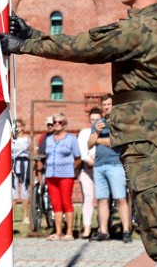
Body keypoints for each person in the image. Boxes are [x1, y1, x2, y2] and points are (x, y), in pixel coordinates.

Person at [1, 0, 157, 266]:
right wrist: (32, 34)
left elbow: (87, 46)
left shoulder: (142, 28)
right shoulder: (149, 26)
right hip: (147, 134)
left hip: (150, 136)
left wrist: (26, 45)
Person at [88, 94, 132, 243]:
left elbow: (114, 142)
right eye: (104, 105)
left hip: (115, 164)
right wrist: (98, 133)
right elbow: (89, 143)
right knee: (101, 199)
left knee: (121, 198)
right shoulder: (98, 123)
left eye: (109, 104)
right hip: (99, 165)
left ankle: (126, 230)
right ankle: (103, 231)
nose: (106, 107)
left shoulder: (119, 121)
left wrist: (97, 140)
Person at [43, 113, 81, 241]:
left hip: (66, 175)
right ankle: (58, 231)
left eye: (60, 122)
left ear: (64, 123)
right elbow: (45, 155)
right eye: (55, 122)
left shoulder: (71, 139)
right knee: (55, 204)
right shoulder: (48, 139)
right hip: (51, 175)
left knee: (66, 202)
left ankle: (69, 231)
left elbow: (78, 157)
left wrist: (71, 169)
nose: (57, 124)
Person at [76, 108, 98, 238]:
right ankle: (87, 228)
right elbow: (82, 150)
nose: (94, 122)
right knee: (88, 198)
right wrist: (88, 159)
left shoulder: (105, 132)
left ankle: (102, 227)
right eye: (92, 119)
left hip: (101, 167)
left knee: (102, 199)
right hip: (87, 168)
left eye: (97, 119)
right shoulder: (85, 132)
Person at [12, 118, 31, 224]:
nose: (17, 128)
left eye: (19, 126)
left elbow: (31, 152)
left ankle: (25, 216)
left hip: (24, 164)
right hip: (14, 165)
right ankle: (13, 216)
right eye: (15, 126)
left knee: (24, 190)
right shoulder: (11, 139)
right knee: (13, 191)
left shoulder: (27, 139)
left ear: (23, 127)